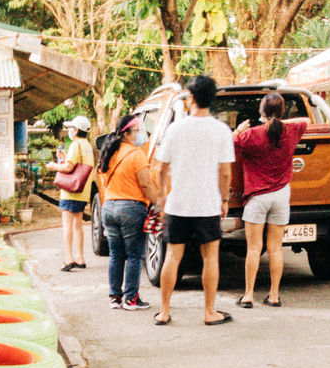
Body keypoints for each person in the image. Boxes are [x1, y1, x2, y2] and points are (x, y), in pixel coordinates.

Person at [153, 74, 235, 326]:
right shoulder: (221, 131)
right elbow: (225, 173)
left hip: (178, 205)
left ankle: (164, 311)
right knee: (210, 257)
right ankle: (209, 312)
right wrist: (223, 200)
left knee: (172, 257)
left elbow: (159, 169)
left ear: (190, 98)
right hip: (207, 205)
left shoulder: (175, 129)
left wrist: (162, 198)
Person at [232, 94, 309, 307]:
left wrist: (240, 129)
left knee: (254, 248)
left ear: (261, 111)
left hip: (257, 197)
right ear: (283, 112)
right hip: (281, 194)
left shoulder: (251, 135)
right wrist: (279, 120)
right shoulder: (292, 130)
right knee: (275, 248)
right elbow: (308, 121)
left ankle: (248, 295)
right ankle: (274, 295)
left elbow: (230, 145)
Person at [97, 113, 158, 309]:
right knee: (133, 255)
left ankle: (115, 297)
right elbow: (146, 185)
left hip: (109, 207)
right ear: (127, 133)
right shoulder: (136, 154)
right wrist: (159, 204)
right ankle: (131, 298)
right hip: (131, 209)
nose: (140, 134)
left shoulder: (109, 152)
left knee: (116, 255)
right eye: (137, 130)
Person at [52, 115, 95, 271]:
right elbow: (76, 164)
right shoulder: (87, 146)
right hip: (82, 191)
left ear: (76, 130)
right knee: (78, 225)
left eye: (71, 128)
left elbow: (68, 168)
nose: (69, 130)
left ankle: (69, 258)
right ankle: (80, 258)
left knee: (67, 225)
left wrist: (54, 166)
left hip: (71, 191)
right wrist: (64, 159)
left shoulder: (75, 145)